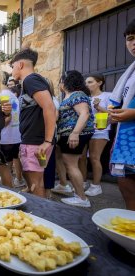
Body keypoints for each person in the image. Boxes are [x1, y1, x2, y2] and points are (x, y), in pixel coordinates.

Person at [10, 48, 57, 198]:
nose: (12, 71)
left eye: (13, 66)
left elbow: (49, 107)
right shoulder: (31, 81)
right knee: (38, 181)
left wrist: (47, 141)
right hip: (36, 142)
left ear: (21, 65)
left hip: (35, 143)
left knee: (35, 184)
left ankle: (39, 217)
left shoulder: (31, 80)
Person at [57, 70, 94, 207]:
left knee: (71, 165)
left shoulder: (77, 94)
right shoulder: (72, 95)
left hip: (73, 134)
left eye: (61, 80)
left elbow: (84, 113)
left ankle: (81, 198)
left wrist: (75, 133)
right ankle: (70, 189)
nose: (59, 84)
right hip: (69, 134)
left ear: (66, 81)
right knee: (66, 161)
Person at [109, 19, 135, 210]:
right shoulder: (130, 72)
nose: (134, 43)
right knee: (128, 190)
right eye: (131, 39)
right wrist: (114, 113)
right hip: (126, 142)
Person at [77, 74, 111, 197]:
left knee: (94, 158)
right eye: (86, 82)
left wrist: (98, 107)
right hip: (85, 130)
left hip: (99, 130)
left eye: (90, 82)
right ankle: (84, 182)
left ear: (100, 82)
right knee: (81, 157)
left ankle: (96, 186)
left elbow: (113, 114)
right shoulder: (85, 98)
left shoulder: (107, 96)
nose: (87, 85)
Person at [0, 87, 21, 187]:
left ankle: (7, 188)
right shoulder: (14, 97)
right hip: (16, 136)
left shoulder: (2, 95)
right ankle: (17, 181)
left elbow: (7, 119)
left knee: (4, 167)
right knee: (11, 164)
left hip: (5, 137)